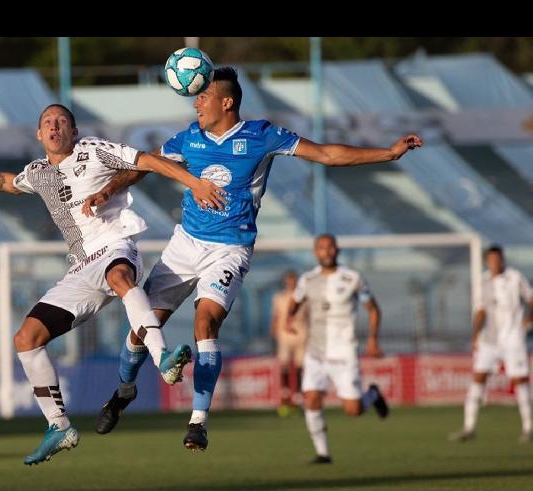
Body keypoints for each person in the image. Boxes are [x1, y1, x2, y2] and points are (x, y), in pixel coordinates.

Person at [84, 66, 421, 451]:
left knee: (205, 322)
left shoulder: (261, 135)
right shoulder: (189, 138)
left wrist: (389, 153)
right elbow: (143, 165)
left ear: (226, 102)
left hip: (230, 248)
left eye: (203, 97)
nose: (196, 103)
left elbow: (327, 153)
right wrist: (108, 190)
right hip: (184, 245)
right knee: (143, 328)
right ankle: (124, 391)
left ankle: (198, 421)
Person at [0, 103, 227, 465]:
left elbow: (147, 161)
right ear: (40, 135)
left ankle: (161, 356)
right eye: (47, 123)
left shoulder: (93, 149)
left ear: (73, 131)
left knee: (119, 277)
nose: (55, 127)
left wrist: (194, 182)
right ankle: (59, 426)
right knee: (26, 339)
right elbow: (6, 182)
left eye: (62, 122)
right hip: (81, 267)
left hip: (116, 246)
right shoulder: (37, 172)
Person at [287, 234, 389, 464]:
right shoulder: (308, 279)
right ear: (316, 252)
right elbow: (295, 300)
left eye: (330, 247)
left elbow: (373, 309)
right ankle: (323, 453)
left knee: (353, 410)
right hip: (316, 351)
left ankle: (372, 394)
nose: (326, 251)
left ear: (337, 250)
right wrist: (288, 318)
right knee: (311, 399)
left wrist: (373, 340)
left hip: (344, 352)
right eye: (321, 248)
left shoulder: (353, 278)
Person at [450, 245, 533, 443]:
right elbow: (480, 311)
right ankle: (469, 427)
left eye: (498, 259)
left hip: (513, 337)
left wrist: (528, 320)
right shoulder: (483, 281)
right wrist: (475, 334)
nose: (495, 263)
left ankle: (528, 427)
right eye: (491, 260)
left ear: (503, 259)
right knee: (478, 378)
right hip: (489, 339)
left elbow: (531, 299)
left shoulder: (515, 278)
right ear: (487, 261)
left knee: (520, 380)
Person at [271, 270, 308, 417]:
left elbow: (309, 315)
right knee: (285, 365)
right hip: (284, 334)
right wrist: (273, 331)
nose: (291, 283)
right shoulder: (279, 297)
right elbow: (276, 315)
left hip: (301, 332)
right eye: (289, 280)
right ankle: (285, 397)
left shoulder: (304, 297)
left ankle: (298, 398)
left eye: (293, 280)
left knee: (300, 366)